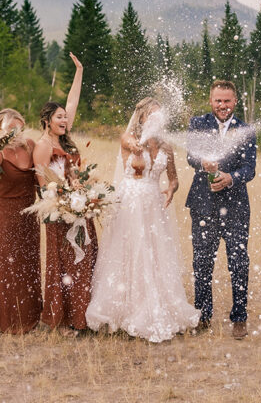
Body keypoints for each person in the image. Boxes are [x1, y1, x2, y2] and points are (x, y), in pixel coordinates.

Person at [86, 98, 201, 342]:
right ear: (142, 118)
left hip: (153, 205)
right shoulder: (129, 138)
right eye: (152, 115)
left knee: (155, 252)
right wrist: (139, 144)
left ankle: (157, 303)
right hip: (130, 202)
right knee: (130, 250)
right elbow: (131, 144)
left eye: (160, 116)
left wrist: (171, 189)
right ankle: (124, 308)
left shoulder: (167, 147)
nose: (157, 120)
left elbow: (173, 179)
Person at [185, 80, 257, 339]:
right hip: (203, 204)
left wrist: (231, 177)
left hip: (236, 206)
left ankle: (239, 317)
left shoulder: (247, 129)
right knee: (202, 262)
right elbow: (190, 156)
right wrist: (200, 162)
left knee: (238, 262)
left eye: (227, 101)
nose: (223, 106)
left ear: (235, 101)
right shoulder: (198, 124)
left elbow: (250, 168)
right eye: (218, 100)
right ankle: (203, 315)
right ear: (211, 100)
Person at [34, 53, 93, 336]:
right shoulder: (44, 146)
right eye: (59, 117)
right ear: (47, 120)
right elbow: (44, 185)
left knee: (85, 261)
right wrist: (68, 197)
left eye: (66, 117)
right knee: (65, 265)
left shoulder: (63, 139)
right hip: (60, 214)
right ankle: (63, 319)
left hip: (80, 209)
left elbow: (72, 102)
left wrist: (79, 71)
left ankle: (84, 316)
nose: (65, 119)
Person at [0, 108, 42, 334]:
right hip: (3, 215)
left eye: (20, 126)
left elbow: (42, 175)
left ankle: (31, 316)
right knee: (7, 265)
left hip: (29, 214)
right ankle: (8, 320)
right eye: (11, 128)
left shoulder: (31, 145)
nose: (17, 131)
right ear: (0, 130)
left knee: (28, 265)